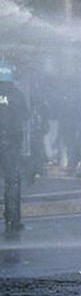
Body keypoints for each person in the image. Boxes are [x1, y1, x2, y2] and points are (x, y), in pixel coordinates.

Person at [0, 62, 28, 236]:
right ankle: (12, 218)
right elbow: (25, 116)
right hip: (10, 143)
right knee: (12, 181)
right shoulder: (16, 95)